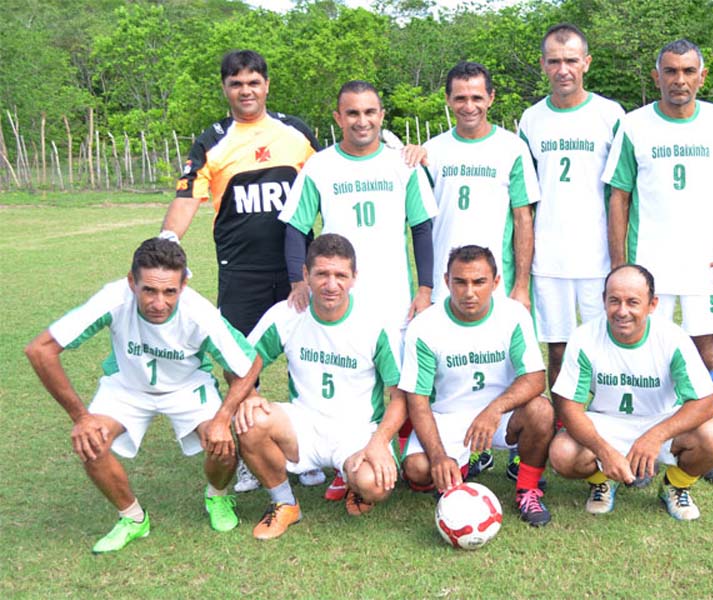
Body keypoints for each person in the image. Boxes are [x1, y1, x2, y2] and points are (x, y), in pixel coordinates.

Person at [25, 238, 260, 553]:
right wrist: (81, 418)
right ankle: (133, 518)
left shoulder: (199, 313)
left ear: (184, 285)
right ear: (131, 281)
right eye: (149, 290)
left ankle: (217, 496)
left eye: (169, 292)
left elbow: (250, 362)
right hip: (127, 385)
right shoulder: (113, 298)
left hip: (187, 385)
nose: (159, 302)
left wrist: (222, 418)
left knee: (223, 444)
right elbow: (40, 350)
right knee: (90, 443)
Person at [602, 39, 713, 485]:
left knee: (703, 352)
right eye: (670, 71)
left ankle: (702, 447)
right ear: (656, 76)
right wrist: (621, 267)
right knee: (639, 354)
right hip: (648, 270)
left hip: (705, 268)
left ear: (702, 76)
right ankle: (631, 445)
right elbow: (619, 195)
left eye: (688, 71)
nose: (680, 80)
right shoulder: (635, 126)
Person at [161, 49, 323, 493]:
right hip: (241, 270)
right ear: (225, 88)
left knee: (305, 356)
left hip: (297, 269)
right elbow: (187, 196)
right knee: (239, 363)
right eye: (236, 84)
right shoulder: (212, 139)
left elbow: (335, 175)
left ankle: (302, 449)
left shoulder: (297, 133)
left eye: (253, 82)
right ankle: (253, 452)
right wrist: (166, 246)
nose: (246, 91)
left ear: (266, 85)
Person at [234, 234, 406, 540]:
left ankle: (355, 484)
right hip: (303, 425)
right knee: (249, 422)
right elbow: (238, 366)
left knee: (375, 484)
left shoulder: (376, 323)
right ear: (305, 275)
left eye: (341, 275)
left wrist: (378, 442)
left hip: (357, 431)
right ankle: (285, 503)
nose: (331, 284)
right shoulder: (287, 315)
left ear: (354, 278)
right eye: (322, 274)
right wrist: (250, 396)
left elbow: (400, 396)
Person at [422, 61, 541, 481]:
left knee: (508, 371)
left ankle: (512, 451)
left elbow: (523, 217)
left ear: (491, 98)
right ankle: (462, 450)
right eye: (460, 97)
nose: (468, 105)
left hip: (499, 284)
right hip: (445, 283)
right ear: (449, 100)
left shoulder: (511, 148)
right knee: (445, 374)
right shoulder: (432, 151)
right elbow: (418, 221)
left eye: (477, 96)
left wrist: (522, 284)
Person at [549, 264, 713, 520]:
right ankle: (603, 481)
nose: (622, 311)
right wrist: (604, 451)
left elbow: (707, 402)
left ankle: (676, 486)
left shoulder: (672, 338)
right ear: (603, 301)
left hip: (662, 420)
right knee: (562, 453)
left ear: (652, 304)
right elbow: (569, 408)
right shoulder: (584, 337)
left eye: (633, 302)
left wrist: (656, 436)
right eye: (614, 301)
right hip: (607, 423)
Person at [400, 246, 555, 527]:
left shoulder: (514, 315)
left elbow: (534, 378)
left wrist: (494, 410)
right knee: (418, 470)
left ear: (495, 283)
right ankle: (459, 464)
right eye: (460, 282)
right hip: (448, 417)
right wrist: (437, 457)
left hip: (500, 417)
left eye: (479, 282)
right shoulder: (424, 327)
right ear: (446, 281)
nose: (469, 292)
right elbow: (418, 400)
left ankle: (527, 490)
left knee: (541, 410)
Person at [280, 79, 437, 336]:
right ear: (338, 118)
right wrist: (298, 283)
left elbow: (422, 230)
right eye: (352, 113)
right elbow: (295, 228)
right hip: (336, 298)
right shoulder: (319, 165)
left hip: (394, 301)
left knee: (394, 375)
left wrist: (425, 290)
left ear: (381, 115)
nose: (362, 121)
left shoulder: (404, 164)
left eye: (369, 112)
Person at [518, 23, 624, 392]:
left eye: (571, 60)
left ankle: (603, 420)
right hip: (549, 259)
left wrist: (620, 258)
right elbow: (524, 199)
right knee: (558, 348)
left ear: (587, 63)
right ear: (543, 65)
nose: (563, 69)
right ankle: (564, 427)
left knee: (604, 344)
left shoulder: (611, 115)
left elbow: (622, 193)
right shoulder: (531, 120)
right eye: (554, 61)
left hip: (598, 257)